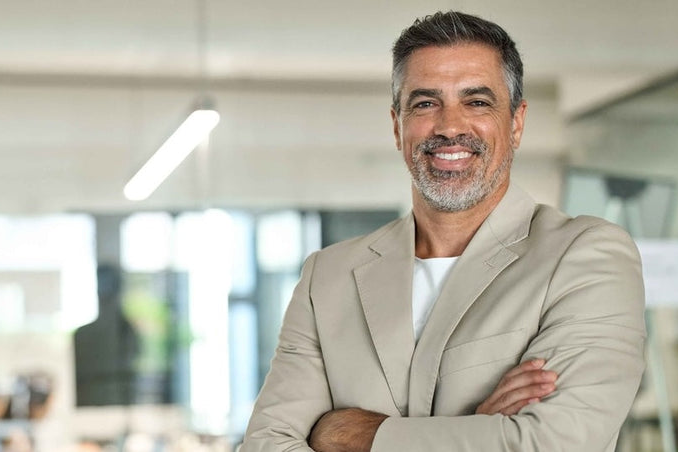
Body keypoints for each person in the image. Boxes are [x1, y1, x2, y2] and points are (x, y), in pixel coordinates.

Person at [242, 11, 645, 452]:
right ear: (397, 126)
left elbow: (553, 444)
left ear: (516, 122)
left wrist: (347, 434)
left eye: (476, 102)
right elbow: (267, 445)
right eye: (425, 103)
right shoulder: (328, 277)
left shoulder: (585, 256)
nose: (450, 126)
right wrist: (477, 430)